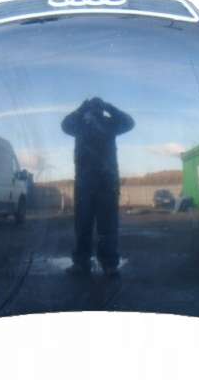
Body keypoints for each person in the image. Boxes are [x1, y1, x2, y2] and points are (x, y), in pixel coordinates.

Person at [61, 97, 135, 276]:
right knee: (89, 225)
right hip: (94, 182)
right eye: (92, 108)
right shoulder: (89, 124)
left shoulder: (104, 124)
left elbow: (129, 123)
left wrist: (98, 107)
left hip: (99, 182)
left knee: (101, 226)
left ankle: (100, 264)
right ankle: (94, 263)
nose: (93, 111)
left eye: (96, 107)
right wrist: (101, 107)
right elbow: (65, 125)